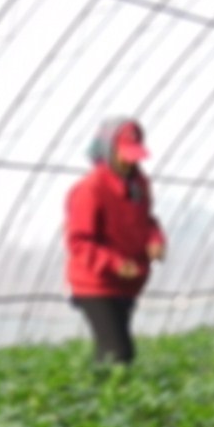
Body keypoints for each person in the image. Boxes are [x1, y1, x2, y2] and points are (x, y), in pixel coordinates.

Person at [64, 118, 165, 364]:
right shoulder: (90, 189)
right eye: (124, 154)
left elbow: (148, 221)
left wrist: (155, 240)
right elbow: (79, 242)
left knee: (117, 352)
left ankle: (104, 396)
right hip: (95, 283)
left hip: (127, 282)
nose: (131, 161)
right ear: (108, 151)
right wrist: (116, 264)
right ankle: (103, 399)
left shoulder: (139, 185)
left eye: (135, 155)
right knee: (117, 352)